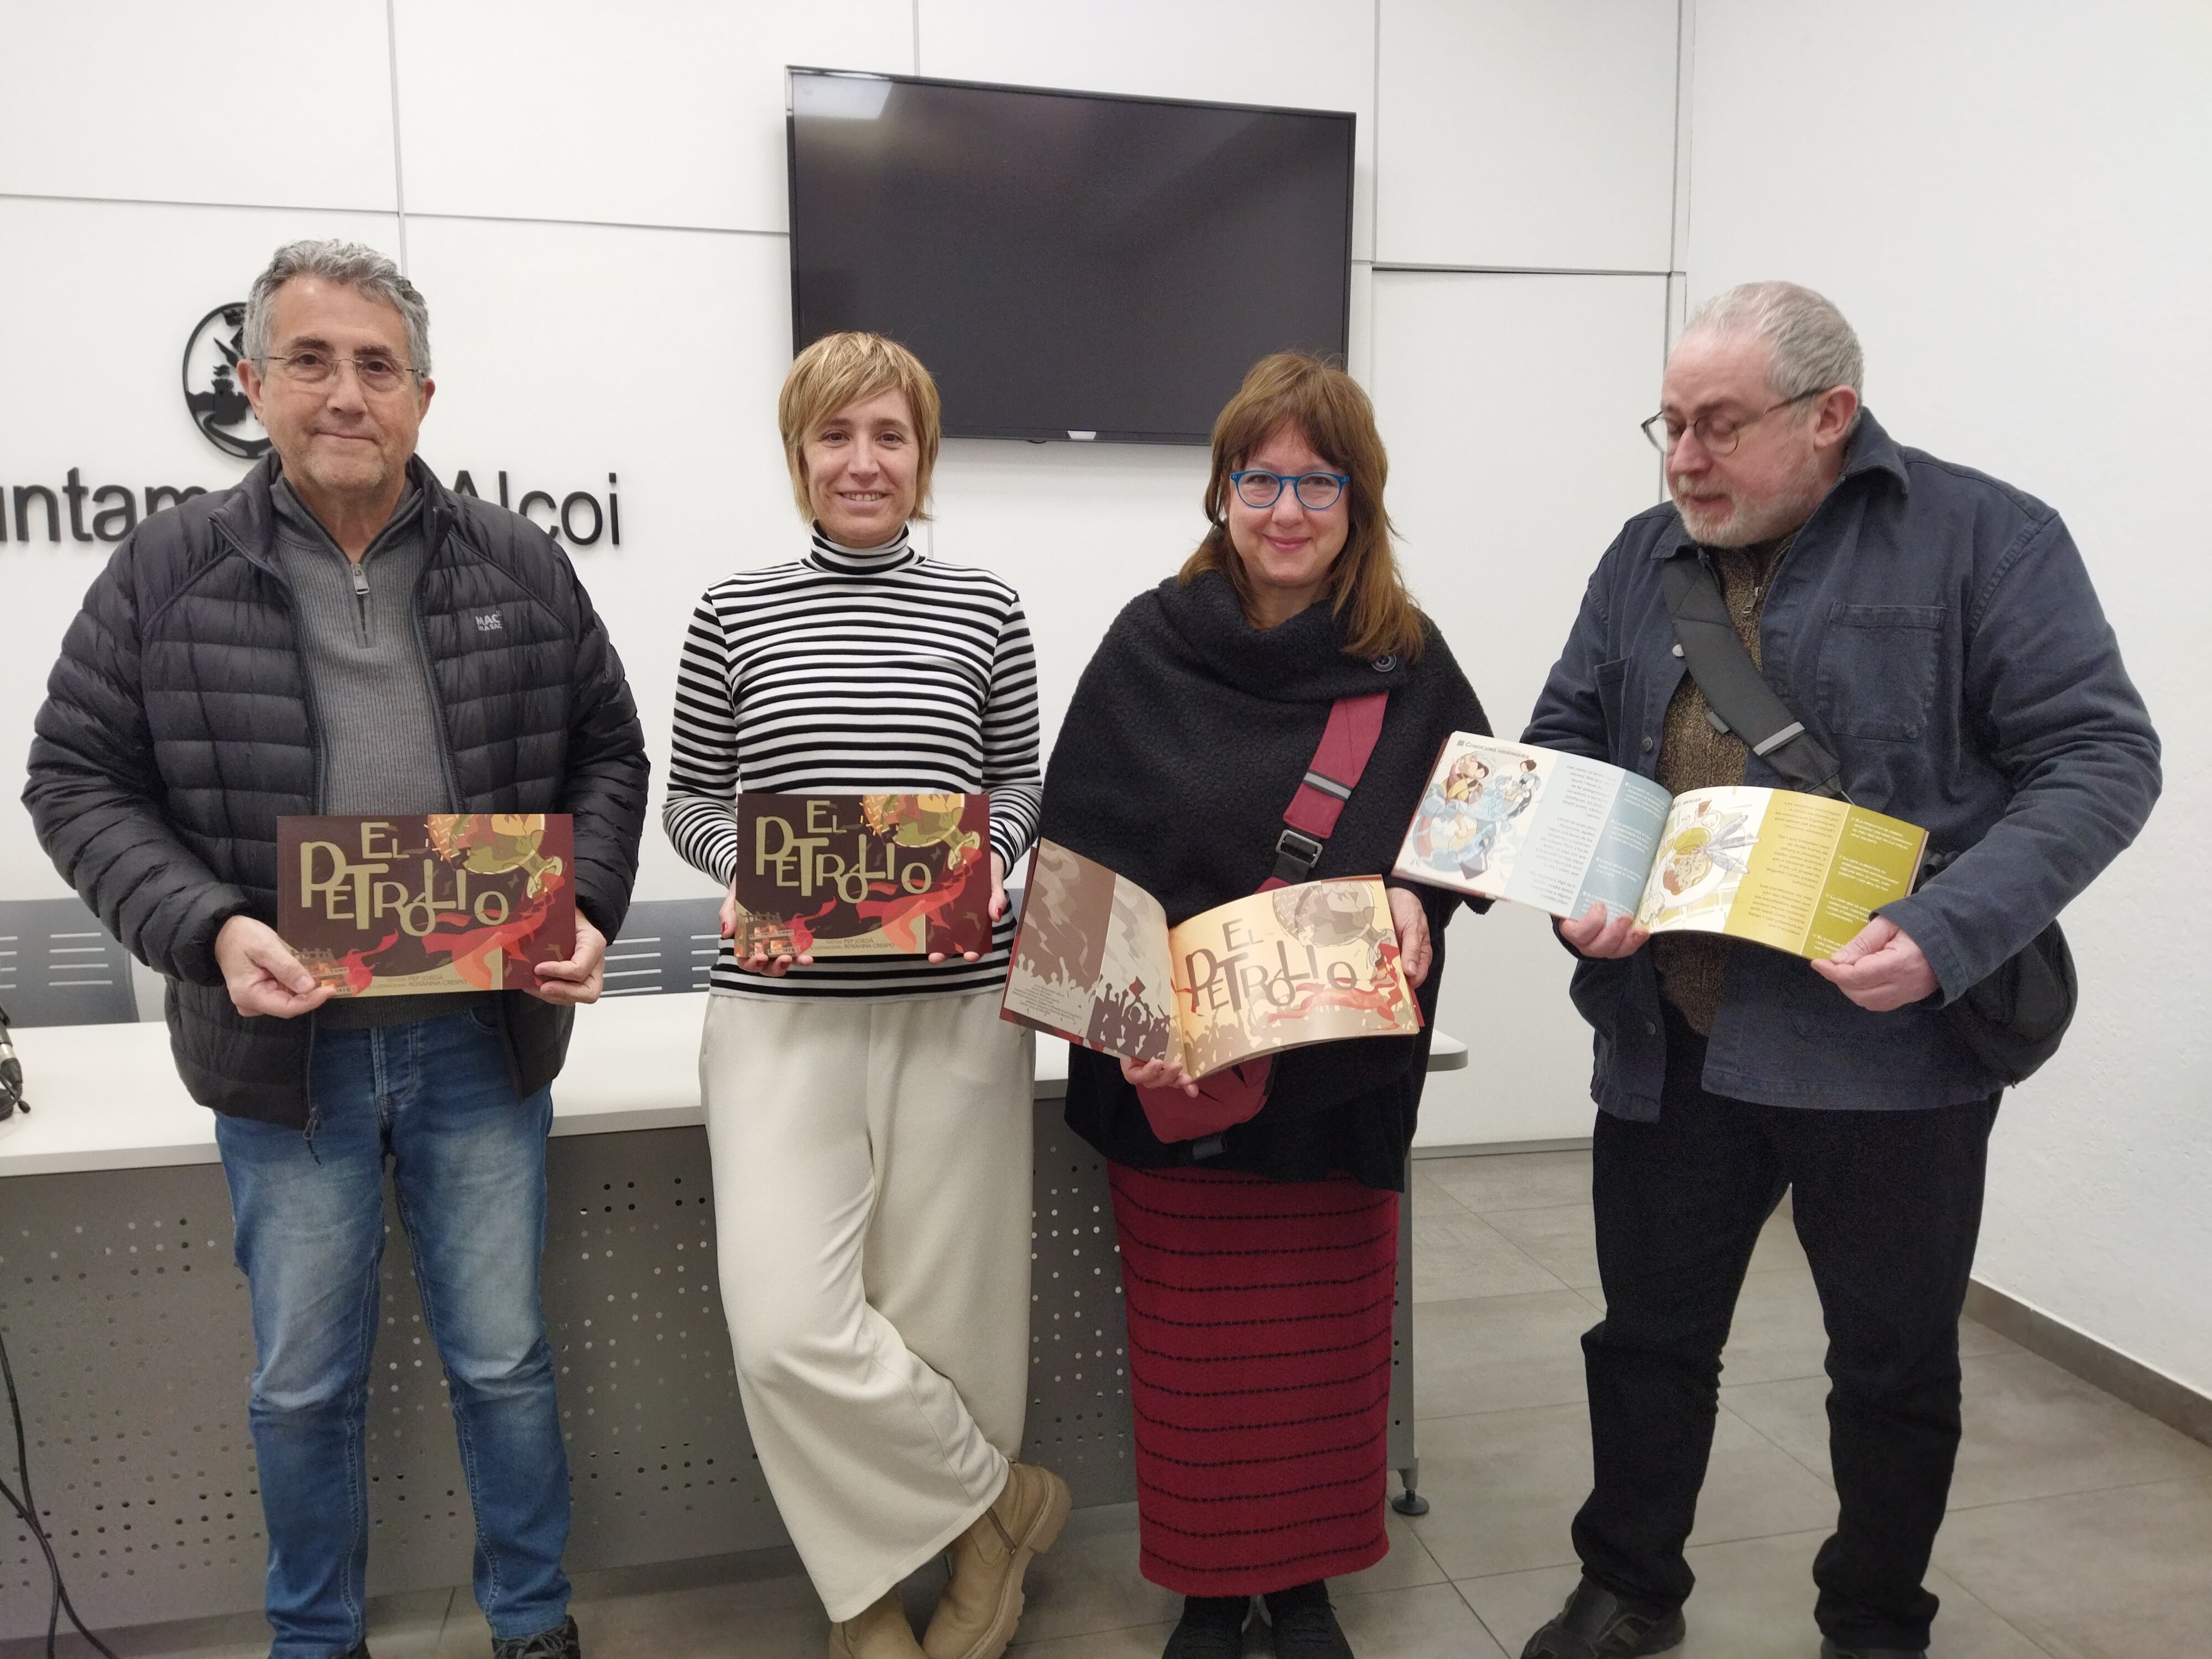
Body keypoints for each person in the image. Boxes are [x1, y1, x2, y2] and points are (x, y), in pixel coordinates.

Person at [1515, 283, 2160, 1659]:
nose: (1681, 458)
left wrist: (1947, 929)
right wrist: (1578, 880)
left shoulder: (1986, 536)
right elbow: (1565, 734)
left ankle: (1873, 1622)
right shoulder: (1643, 555)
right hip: (1668, 1034)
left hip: (1892, 1055)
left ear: (1829, 417)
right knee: (1643, 1341)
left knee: (1889, 1367)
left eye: (1716, 425)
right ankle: (1627, 1585)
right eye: (1668, 425)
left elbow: (2101, 757)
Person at [23, 240, 649, 1659]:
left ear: (425, 395)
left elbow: (607, 752)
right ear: (253, 384)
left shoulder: (520, 563)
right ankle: (315, 1640)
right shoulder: (165, 572)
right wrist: (211, 925)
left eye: (377, 365)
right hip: (279, 1054)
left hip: (479, 1041)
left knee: (502, 1362)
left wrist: (592, 902)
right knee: (302, 1384)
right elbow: (72, 780)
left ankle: (533, 1624)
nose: (345, 392)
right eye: (310, 360)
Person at [1036, 353, 1491, 1659]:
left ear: (1358, 499)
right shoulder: (1146, 642)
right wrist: (1134, 1030)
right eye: (1260, 478)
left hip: (1335, 1077)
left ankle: (1302, 1588)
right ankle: (1204, 1582)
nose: (1285, 508)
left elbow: (1469, 831)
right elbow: (1072, 868)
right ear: (1220, 490)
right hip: (1171, 1076)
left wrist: (1425, 896)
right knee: (1192, 1355)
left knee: (1324, 1354)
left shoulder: (1406, 661)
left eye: (1316, 481)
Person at [662, 332, 1067, 1659]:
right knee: (787, 1327)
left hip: (953, 1000)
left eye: (888, 436)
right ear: (798, 455)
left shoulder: (986, 611)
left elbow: (1018, 781)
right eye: (835, 437)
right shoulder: (732, 611)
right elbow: (690, 797)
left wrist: (1001, 857)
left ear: (923, 456)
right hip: (778, 1006)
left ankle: (892, 1599)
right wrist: (741, 868)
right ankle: (997, 1504)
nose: (862, 461)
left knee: (948, 1317)